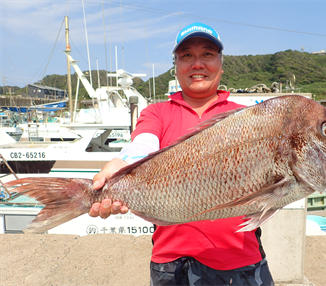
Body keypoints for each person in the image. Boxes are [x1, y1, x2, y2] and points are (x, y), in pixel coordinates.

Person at [90, 22, 275, 286]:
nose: (197, 63)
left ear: (221, 64)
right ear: (175, 65)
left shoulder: (246, 117)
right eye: (187, 55)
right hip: (171, 263)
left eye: (207, 55)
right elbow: (142, 145)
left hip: (240, 260)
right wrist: (122, 166)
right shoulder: (156, 113)